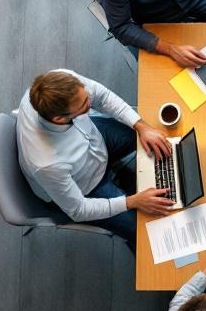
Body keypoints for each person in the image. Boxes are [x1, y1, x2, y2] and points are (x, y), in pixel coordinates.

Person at [16, 69, 174, 249]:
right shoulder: (47, 164)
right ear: (60, 119)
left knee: (156, 137)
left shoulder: (60, 82)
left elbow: (103, 97)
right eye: (85, 105)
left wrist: (142, 127)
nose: (91, 103)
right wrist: (132, 201)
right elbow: (78, 210)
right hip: (86, 188)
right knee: (148, 232)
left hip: (95, 139)